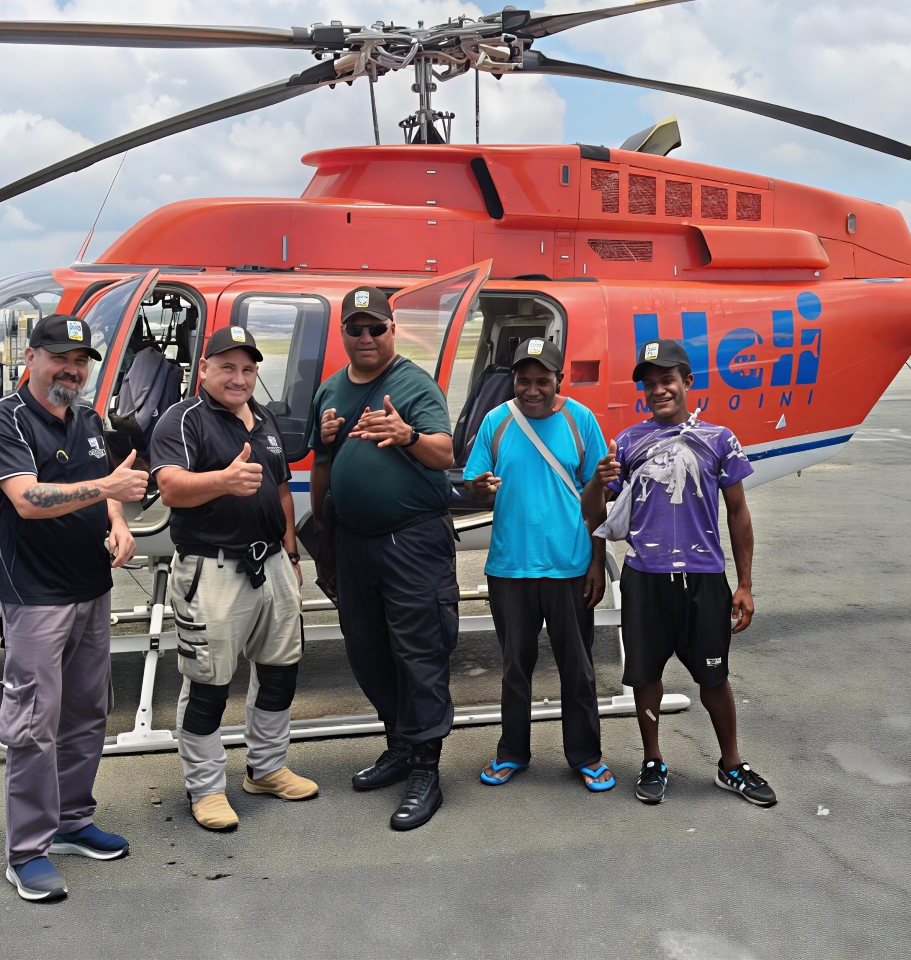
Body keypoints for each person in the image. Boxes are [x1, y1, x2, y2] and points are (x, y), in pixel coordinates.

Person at [0, 313, 148, 902]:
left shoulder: (89, 420)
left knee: (86, 713)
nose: (71, 370)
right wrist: (108, 492)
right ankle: (26, 851)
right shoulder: (6, 418)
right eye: (60, 358)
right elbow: (26, 500)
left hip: (91, 590)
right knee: (32, 725)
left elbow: (107, 490)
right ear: (31, 358)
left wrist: (119, 523)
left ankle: (73, 821)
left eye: (81, 362)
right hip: (34, 597)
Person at [581, 339, 777, 808]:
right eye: (649, 385)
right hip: (644, 578)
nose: (658, 390)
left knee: (714, 678)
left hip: (703, 578)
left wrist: (745, 584)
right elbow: (595, 512)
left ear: (687, 382)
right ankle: (653, 759)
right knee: (646, 675)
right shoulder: (626, 443)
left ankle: (731, 764)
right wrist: (595, 480)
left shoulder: (719, 439)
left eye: (667, 381)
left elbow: (738, 512)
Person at [150, 325, 318, 832]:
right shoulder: (182, 421)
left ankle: (266, 768)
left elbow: (284, 491)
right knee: (207, 684)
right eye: (227, 367)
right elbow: (172, 490)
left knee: (281, 669)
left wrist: (290, 554)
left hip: (271, 565)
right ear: (205, 369)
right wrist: (223, 481)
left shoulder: (263, 418)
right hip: (213, 568)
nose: (238, 378)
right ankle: (205, 789)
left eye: (247, 369)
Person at [308, 285, 458, 831]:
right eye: (356, 328)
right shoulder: (330, 390)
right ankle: (398, 743)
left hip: (410, 541)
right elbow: (321, 463)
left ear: (393, 330)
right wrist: (323, 532)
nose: (367, 337)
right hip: (353, 543)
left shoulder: (413, 385)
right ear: (343, 333)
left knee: (419, 651)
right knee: (367, 650)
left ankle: (426, 768)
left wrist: (407, 432)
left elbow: (444, 453)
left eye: (377, 327)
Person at [462, 338, 615, 791]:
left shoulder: (580, 420)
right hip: (510, 567)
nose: (532, 390)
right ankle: (513, 751)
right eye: (523, 380)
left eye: (542, 380)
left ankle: (586, 755)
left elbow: (596, 500)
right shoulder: (496, 421)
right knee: (514, 667)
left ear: (557, 380)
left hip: (569, 566)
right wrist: (479, 488)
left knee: (578, 668)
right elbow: (471, 484)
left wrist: (596, 560)